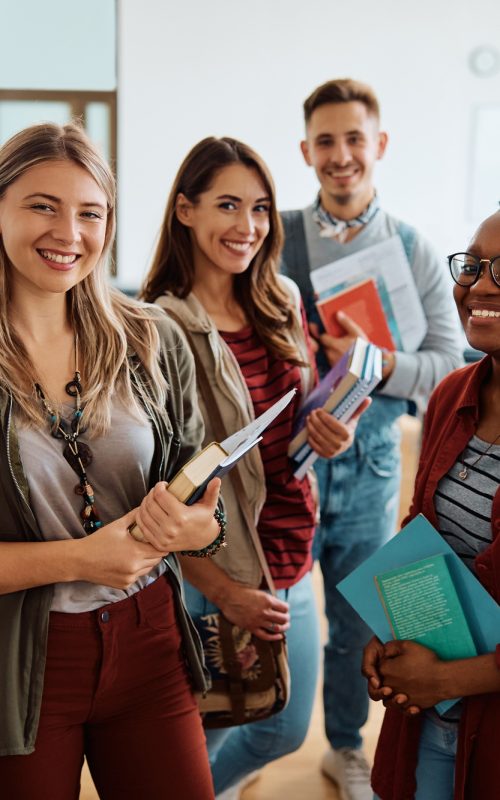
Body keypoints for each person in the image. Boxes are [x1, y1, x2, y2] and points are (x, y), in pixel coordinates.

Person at [0, 121, 225, 800]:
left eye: (91, 213)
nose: (69, 232)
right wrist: (79, 559)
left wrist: (197, 530)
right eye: (43, 206)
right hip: (21, 661)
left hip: (150, 639)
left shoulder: (150, 338)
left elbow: (203, 503)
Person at [140, 135, 368, 799]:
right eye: (228, 205)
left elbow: (304, 417)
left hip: (292, 551)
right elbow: (158, 488)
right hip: (216, 568)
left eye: (261, 208)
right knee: (209, 733)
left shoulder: (282, 298)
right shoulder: (158, 326)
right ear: (186, 210)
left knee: (280, 728)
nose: (248, 226)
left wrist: (336, 436)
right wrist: (224, 591)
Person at [280, 78, 464, 800]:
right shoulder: (277, 237)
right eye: (325, 141)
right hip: (290, 463)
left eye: (354, 138)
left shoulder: (414, 249)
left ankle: (345, 747)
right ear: (305, 151)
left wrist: (374, 361)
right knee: (275, 613)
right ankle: (258, 735)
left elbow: (448, 363)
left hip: (374, 464)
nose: (341, 155)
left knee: (356, 623)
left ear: (378, 144)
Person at [362, 210, 500, 799]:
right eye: (473, 265)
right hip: (428, 718)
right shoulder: (450, 395)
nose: (480, 286)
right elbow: (422, 536)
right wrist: (391, 629)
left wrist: (445, 679)